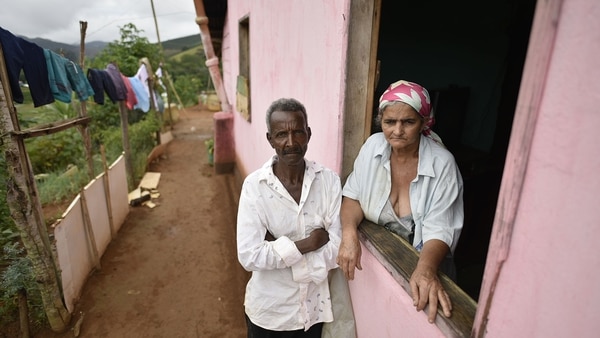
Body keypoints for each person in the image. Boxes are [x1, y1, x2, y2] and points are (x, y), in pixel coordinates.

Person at [337, 80, 464, 323]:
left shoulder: (442, 164)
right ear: (380, 121)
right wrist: (349, 233)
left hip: (427, 264)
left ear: (424, 122)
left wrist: (425, 270)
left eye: (408, 122)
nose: (397, 131)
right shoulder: (373, 147)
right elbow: (354, 195)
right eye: (389, 122)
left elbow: (441, 228)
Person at [237, 98, 343, 337]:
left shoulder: (328, 181)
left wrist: (278, 249)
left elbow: (337, 249)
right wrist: (309, 244)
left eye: (298, 132)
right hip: (269, 314)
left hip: (313, 312)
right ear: (270, 139)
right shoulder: (255, 186)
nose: (291, 142)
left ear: (309, 133)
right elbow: (249, 255)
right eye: (281, 134)